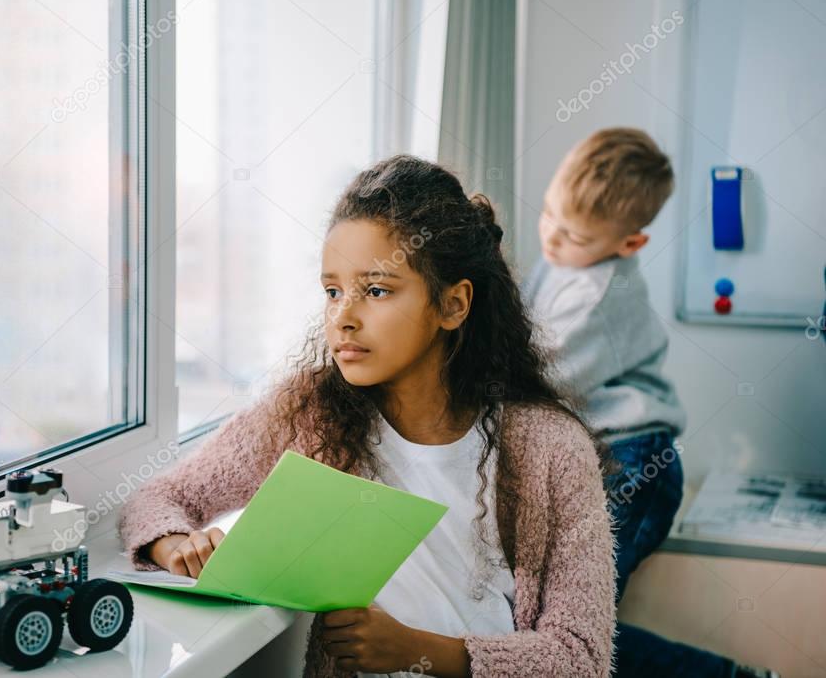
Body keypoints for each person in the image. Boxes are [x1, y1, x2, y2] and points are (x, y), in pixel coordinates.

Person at [119, 155, 616, 677]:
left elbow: (579, 657)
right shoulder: (308, 413)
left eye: (376, 291)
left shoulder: (550, 448)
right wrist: (174, 543)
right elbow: (156, 499)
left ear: (453, 305)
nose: (343, 317)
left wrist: (416, 652)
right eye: (332, 291)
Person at [523, 127, 779, 678]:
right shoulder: (564, 259)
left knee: (567, 637)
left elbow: (532, 383)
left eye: (572, 235)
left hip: (634, 463)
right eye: (548, 213)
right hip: (595, 459)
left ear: (629, 244)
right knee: (548, 631)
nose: (551, 238)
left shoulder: (599, 297)